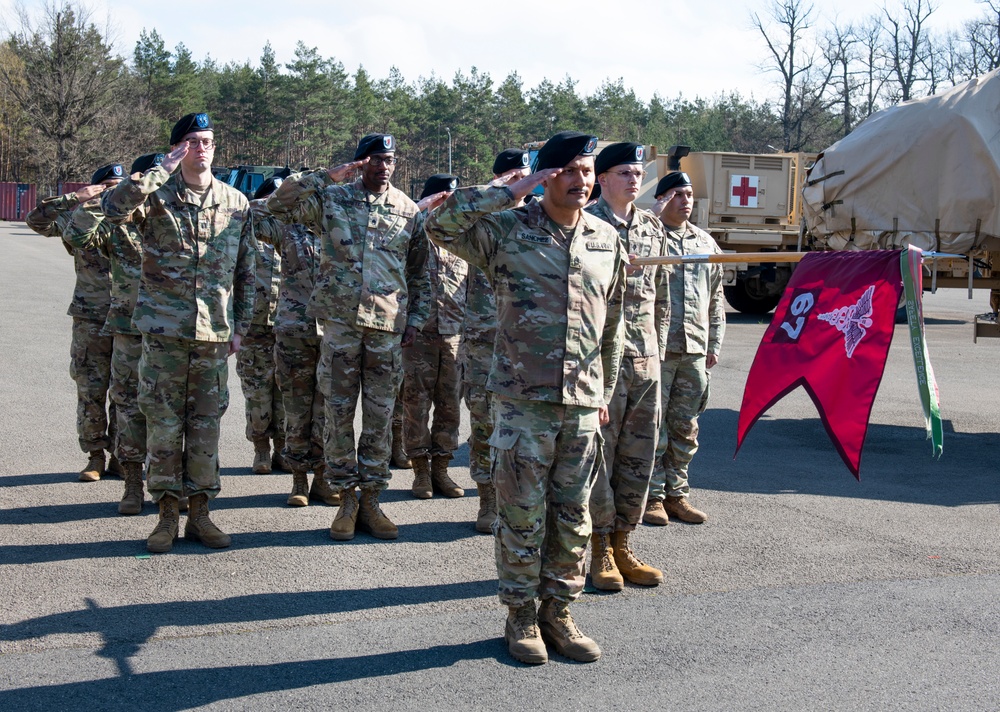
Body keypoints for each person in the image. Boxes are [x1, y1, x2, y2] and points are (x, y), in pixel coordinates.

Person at [425, 131, 625, 665]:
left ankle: (558, 610)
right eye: (568, 171)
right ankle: (519, 614)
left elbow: (614, 322)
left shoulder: (606, 238)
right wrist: (511, 191)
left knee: (573, 513)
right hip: (522, 398)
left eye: (586, 171)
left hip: (582, 402)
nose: (580, 181)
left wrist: (603, 388)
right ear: (546, 175)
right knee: (521, 511)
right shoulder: (508, 230)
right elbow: (439, 224)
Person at [103, 112, 254, 553]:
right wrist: (157, 172)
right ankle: (167, 514)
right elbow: (112, 210)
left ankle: (201, 514)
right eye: (191, 141)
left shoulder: (236, 203)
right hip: (164, 334)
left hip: (212, 337)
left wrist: (240, 327)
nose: (201, 148)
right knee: (164, 426)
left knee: (206, 425)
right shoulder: (154, 197)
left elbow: (248, 273)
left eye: (207, 140)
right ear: (177, 148)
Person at [266, 133, 429, 542]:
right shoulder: (333, 199)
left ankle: (372, 499)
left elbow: (419, 274)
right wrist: (324, 175)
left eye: (389, 159)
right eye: (375, 159)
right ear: (360, 163)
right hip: (339, 327)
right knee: (337, 416)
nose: (383, 166)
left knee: (378, 418)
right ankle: (346, 498)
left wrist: (415, 321)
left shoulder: (408, 210)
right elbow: (277, 205)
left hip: (386, 331)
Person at [585, 142, 667, 589]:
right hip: (602, 359)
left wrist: (660, 351)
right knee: (601, 454)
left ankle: (623, 542)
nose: (634, 180)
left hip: (646, 359)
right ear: (601, 179)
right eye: (623, 173)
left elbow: (663, 298)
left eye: (637, 173)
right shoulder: (587, 225)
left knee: (639, 456)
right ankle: (597, 547)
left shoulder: (653, 227)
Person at [62, 153, 163, 515]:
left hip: (151, 324)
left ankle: (132, 463)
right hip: (100, 318)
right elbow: (56, 226)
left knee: (141, 401)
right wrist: (86, 197)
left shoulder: (162, 219)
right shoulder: (108, 219)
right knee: (97, 389)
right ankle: (96, 456)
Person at [25, 164, 121, 483]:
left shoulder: (136, 218)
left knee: (128, 391)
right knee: (91, 389)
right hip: (90, 317)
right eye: (106, 184)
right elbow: (36, 221)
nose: (111, 190)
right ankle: (95, 456)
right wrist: (73, 199)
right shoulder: (77, 217)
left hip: (129, 319)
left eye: (117, 185)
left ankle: (123, 456)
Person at [246, 177, 337, 508]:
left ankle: (324, 478)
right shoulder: (287, 228)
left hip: (333, 331)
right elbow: (252, 214)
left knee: (328, 409)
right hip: (294, 329)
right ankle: (298, 480)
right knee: (296, 409)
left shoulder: (342, 227)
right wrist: (292, 190)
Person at [644, 171, 725, 526]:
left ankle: (678, 495)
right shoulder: (648, 240)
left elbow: (716, 300)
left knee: (685, 427)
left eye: (689, 194)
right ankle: (652, 496)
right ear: (662, 199)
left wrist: (714, 344)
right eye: (677, 194)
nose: (685, 201)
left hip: (694, 350)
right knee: (652, 426)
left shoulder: (705, 243)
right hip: (657, 350)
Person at [461, 148, 531, 533]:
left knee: (527, 424)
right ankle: (487, 500)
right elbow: (448, 221)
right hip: (483, 337)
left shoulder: (535, 215)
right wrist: (495, 193)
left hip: (528, 339)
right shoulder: (484, 214)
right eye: (511, 175)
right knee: (485, 421)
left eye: (524, 174)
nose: (519, 180)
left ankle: (518, 501)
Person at [404, 173, 466, 500]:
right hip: (419, 333)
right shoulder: (412, 232)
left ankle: (441, 469)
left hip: (455, 332)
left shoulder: (463, 237)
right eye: (442, 199)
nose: (448, 206)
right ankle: (420, 472)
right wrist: (420, 208)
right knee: (415, 403)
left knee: (450, 405)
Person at [237, 182, 286, 475]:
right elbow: (240, 211)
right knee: (257, 394)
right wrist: (266, 204)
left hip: (285, 328)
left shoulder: (293, 232)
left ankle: (283, 449)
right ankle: (261, 450)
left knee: (285, 393)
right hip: (254, 327)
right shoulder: (249, 231)